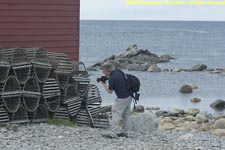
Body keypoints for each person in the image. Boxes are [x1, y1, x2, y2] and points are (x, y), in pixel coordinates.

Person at [100, 61, 132, 138]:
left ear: (107, 70)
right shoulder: (119, 71)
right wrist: (107, 78)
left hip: (121, 98)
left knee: (115, 112)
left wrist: (103, 83)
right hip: (129, 96)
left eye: (103, 70)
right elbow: (118, 79)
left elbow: (110, 91)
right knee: (126, 115)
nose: (103, 72)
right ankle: (125, 132)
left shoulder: (112, 78)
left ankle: (113, 132)